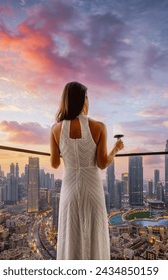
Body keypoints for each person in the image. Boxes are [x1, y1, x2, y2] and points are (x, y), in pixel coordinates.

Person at [50, 81, 124, 260]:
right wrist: (116, 149)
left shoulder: (56, 129)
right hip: (92, 189)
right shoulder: (99, 127)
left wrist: (67, 151)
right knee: (95, 234)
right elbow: (102, 163)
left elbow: (54, 164)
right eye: (87, 97)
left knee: (71, 234)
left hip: (69, 189)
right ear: (83, 100)